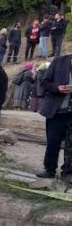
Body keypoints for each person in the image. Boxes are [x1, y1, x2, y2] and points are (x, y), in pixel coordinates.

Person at [36, 53, 72, 181]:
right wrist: (57, 88)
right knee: (53, 141)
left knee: (71, 144)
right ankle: (49, 169)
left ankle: (68, 172)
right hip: (56, 110)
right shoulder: (59, 61)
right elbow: (44, 82)